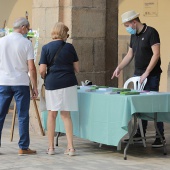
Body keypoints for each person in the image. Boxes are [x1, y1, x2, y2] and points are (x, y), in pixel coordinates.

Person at [111, 10, 165, 148]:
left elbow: (156, 54)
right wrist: (119, 67)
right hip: (138, 74)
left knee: (153, 106)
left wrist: (147, 72)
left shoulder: (151, 32)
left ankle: (160, 136)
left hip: (151, 76)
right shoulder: (134, 36)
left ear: (134, 22)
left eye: (127, 25)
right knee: (139, 106)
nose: (127, 28)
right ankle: (140, 134)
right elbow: (130, 55)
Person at [39, 22, 79, 155]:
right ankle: (71, 147)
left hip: (53, 83)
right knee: (66, 115)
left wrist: (45, 74)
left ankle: (50, 148)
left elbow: (42, 69)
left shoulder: (46, 48)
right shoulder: (70, 47)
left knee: (52, 114)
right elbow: (77, 69)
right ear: (64, 34)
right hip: (69, 82)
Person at [0, 17, 38, 155]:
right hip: (20, 82)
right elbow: (31, 68)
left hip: (3, 82)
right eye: (28, 29)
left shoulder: (1, 41)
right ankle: (23, 147)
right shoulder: (26, 43)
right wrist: (34, 86)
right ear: (23, 27)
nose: (28, 31)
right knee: (23, 115)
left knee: (0, 114)